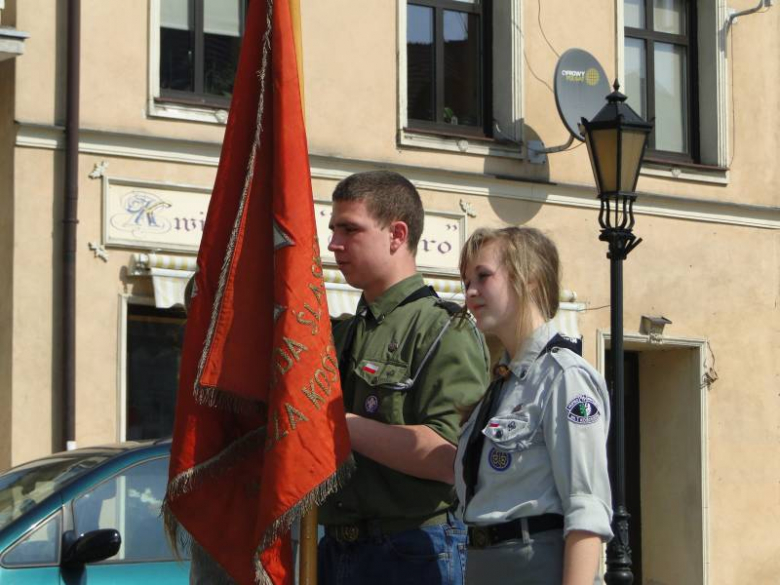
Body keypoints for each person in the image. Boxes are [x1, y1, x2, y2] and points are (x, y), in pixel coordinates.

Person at [318, 170, 489, 585]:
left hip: (412, 549)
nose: (333, 244)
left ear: (396, 234)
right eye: (333, 229)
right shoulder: (343, 333)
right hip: (334, 548)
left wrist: (334, 423)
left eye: (350, 229)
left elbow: (450, 457)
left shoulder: (445, 330)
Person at [455, 227, 613, 585]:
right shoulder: (501, 386)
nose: (470, 293)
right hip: (484, 565)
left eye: (483, 276)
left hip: (535, 564)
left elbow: (586, 507)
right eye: (466, 282)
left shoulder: (565, 377)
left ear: (529, 279)